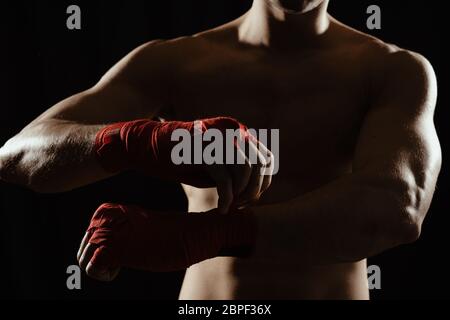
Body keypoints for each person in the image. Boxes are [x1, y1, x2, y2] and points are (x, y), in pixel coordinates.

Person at [0, 0, 442, 299]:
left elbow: (397, 207)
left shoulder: (392, 71)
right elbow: (17, 156)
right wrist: (142, 140)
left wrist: (207, 235)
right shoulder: (176, 63)